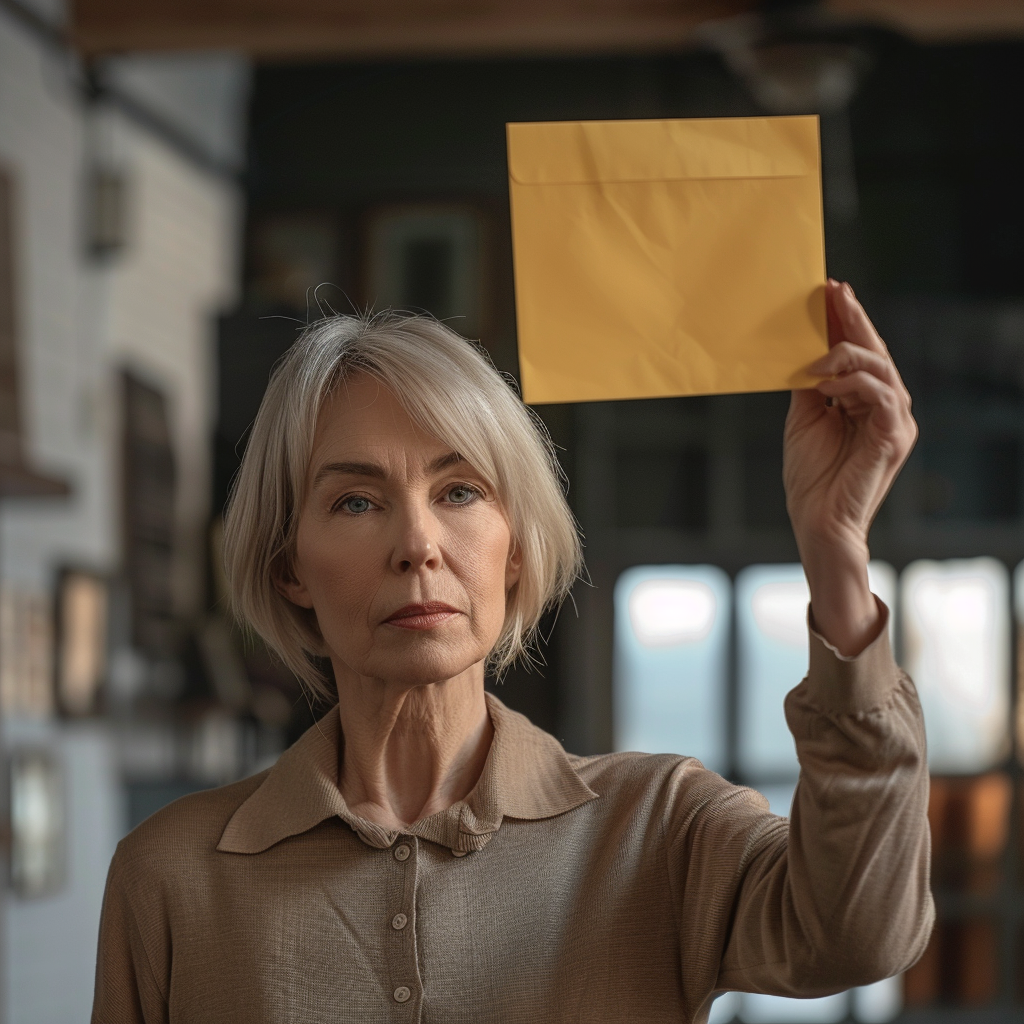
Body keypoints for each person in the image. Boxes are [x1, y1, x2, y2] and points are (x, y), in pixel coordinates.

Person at [92, 279, 931, 1023]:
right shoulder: (168, 876)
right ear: (289, 566)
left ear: (517, 549)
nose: (418, 544)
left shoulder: (660, 826)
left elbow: (859, 936)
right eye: (355, 501)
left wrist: (835, 548)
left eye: (459, 492)